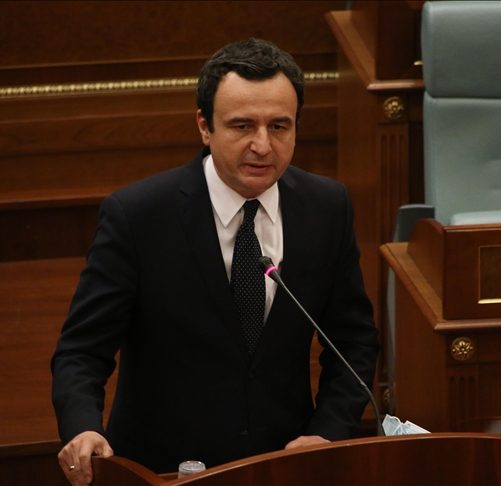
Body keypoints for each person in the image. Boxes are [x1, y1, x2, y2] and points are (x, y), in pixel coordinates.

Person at [51, 38, 379, 485]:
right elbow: (81, 350)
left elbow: (353, 341)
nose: (262, 145)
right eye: (242, 126)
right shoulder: (139, 216)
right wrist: (83, 427)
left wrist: (327, 433)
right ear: (204, 126)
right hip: (164, 471)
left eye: (279, 126)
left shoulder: (327, 208)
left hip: (283, 467)